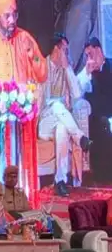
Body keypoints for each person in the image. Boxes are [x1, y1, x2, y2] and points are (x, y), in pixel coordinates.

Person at [38, 34, 90, 195]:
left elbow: (76, 94)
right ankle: (79, 137)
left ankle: (60, 181)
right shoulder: (41, 66)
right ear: (56, 49)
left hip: (59, 120)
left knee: (62, 129)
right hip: (43, 123)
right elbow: (39, 103)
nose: (67, 54)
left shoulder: (65, 68)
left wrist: (67, 68)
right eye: (65, 51)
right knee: (57, 105)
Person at [77, 38, 112, 182]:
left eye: (91, 54)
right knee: (101, 127)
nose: (89, 58)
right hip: (97, 119)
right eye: (87, 56)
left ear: (99, 50)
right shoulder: (87, 73)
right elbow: (77, 92)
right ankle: (103, 177)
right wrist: (86, 72)